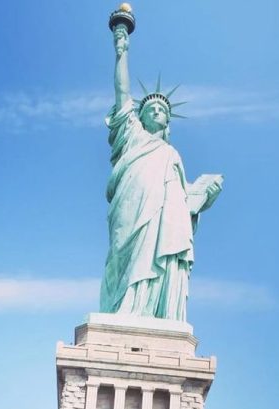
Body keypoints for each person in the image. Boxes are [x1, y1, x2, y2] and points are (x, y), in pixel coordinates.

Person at [99, 21, 223, 325]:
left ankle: (155, 311)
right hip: (132, 207)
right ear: (139, 116)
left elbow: (182, 200)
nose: (157, 111)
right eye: (150, 108)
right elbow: (122, 92)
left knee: (163, 251)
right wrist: (121, 52)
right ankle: (123, 309)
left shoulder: (171, 154)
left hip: (165, 219)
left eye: (162, 110)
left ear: (167, 122)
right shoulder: (131, 135)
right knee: (123, 256)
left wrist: (203, 195)